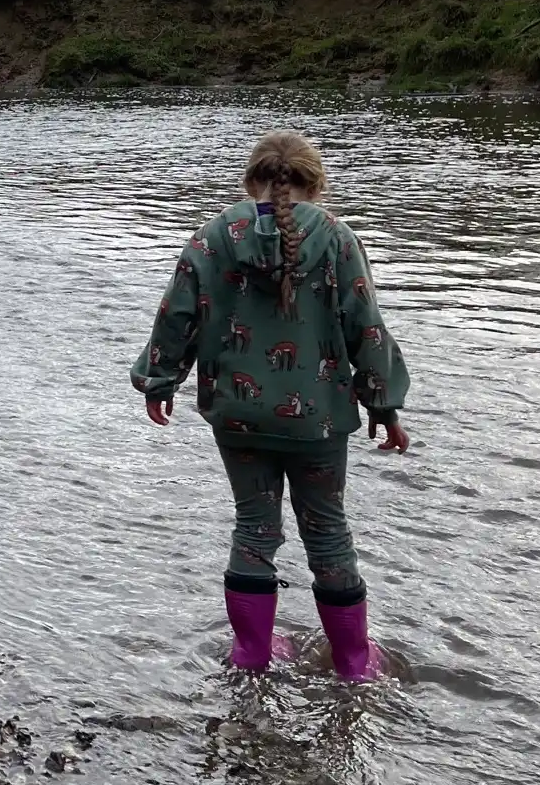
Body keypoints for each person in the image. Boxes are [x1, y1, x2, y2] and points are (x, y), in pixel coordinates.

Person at [131, 130, 408, 682]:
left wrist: (159, 380)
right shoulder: (336, 238)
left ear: (249, 177)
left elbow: (177, 316)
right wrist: (384, 404)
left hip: (238, 413)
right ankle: (354, 664)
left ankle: (251, 654)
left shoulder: (211, 239)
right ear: (316, 183)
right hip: (318, 420)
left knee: (254, 527)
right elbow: (366, 327)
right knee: (327, 529)